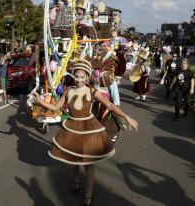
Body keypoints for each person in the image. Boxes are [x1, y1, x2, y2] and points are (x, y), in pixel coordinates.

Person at [32, 59, 138, 206]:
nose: (79, 80)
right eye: (77, 76)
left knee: (88, 163)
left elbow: (110, 105)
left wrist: (127, 117)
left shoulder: (92, 91)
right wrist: (39, 100)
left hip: (88, 128)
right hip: (73, 128)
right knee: (74, 159)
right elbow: (56, 107)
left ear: (87, 77)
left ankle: (89, 193)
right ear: (73, 75)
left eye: (83, 77)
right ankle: (76, 181)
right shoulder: (68, 91)